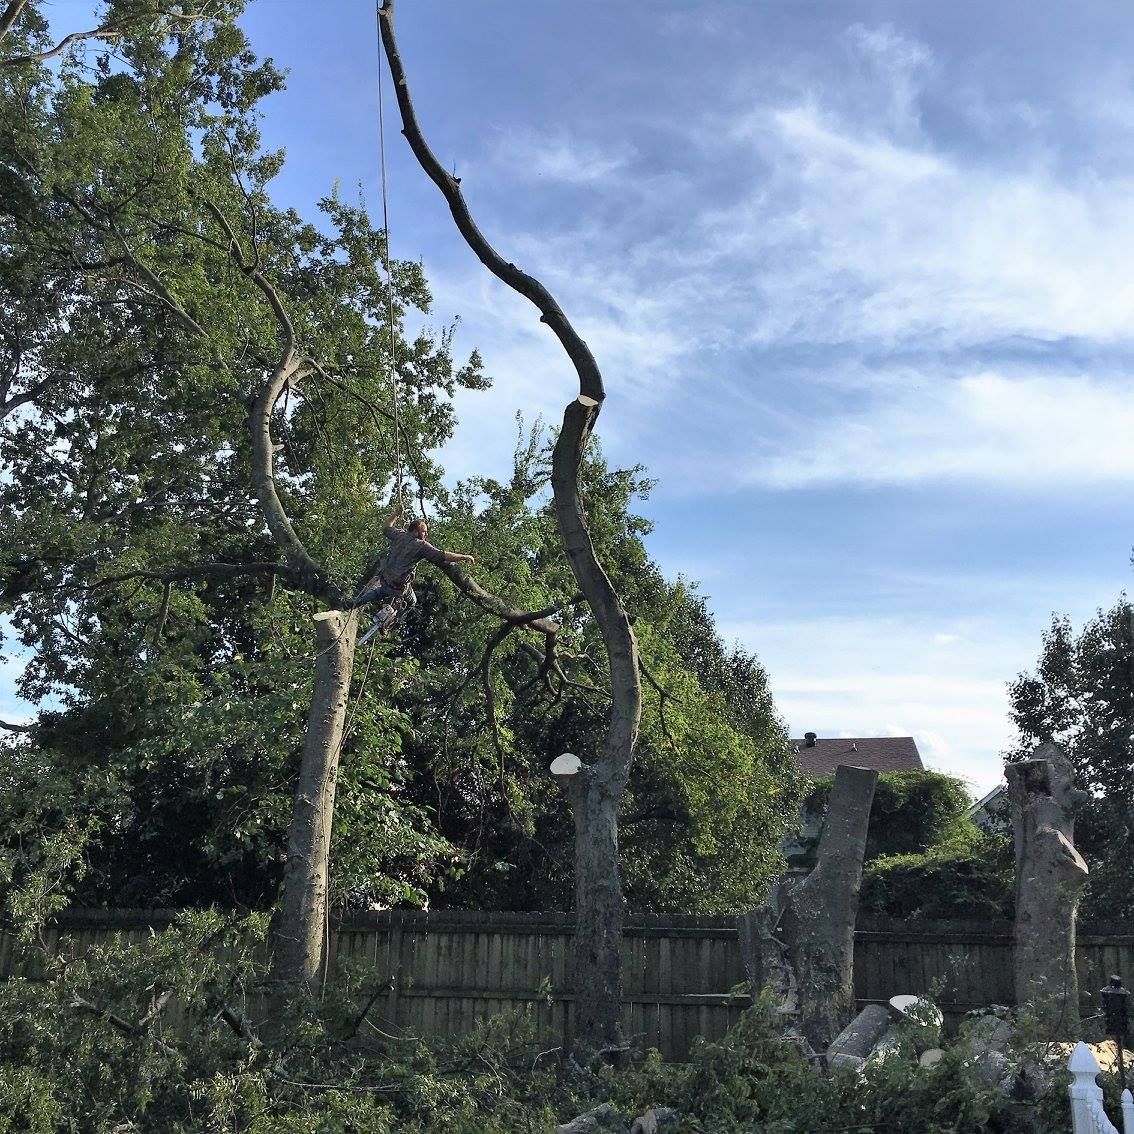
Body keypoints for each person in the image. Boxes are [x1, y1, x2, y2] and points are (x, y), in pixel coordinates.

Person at [353, 502, 474, 636]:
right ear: (416, 530)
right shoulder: (421, 545)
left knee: (374, 594)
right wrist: (464, 556)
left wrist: (395, 514)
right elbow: (442, 555)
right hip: (398, 587)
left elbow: (386, 527)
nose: (426, 534)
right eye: (424, 531)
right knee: (412, 602)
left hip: (385, 580)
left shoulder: (399, 535)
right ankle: (389, 620)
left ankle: (356, 603)